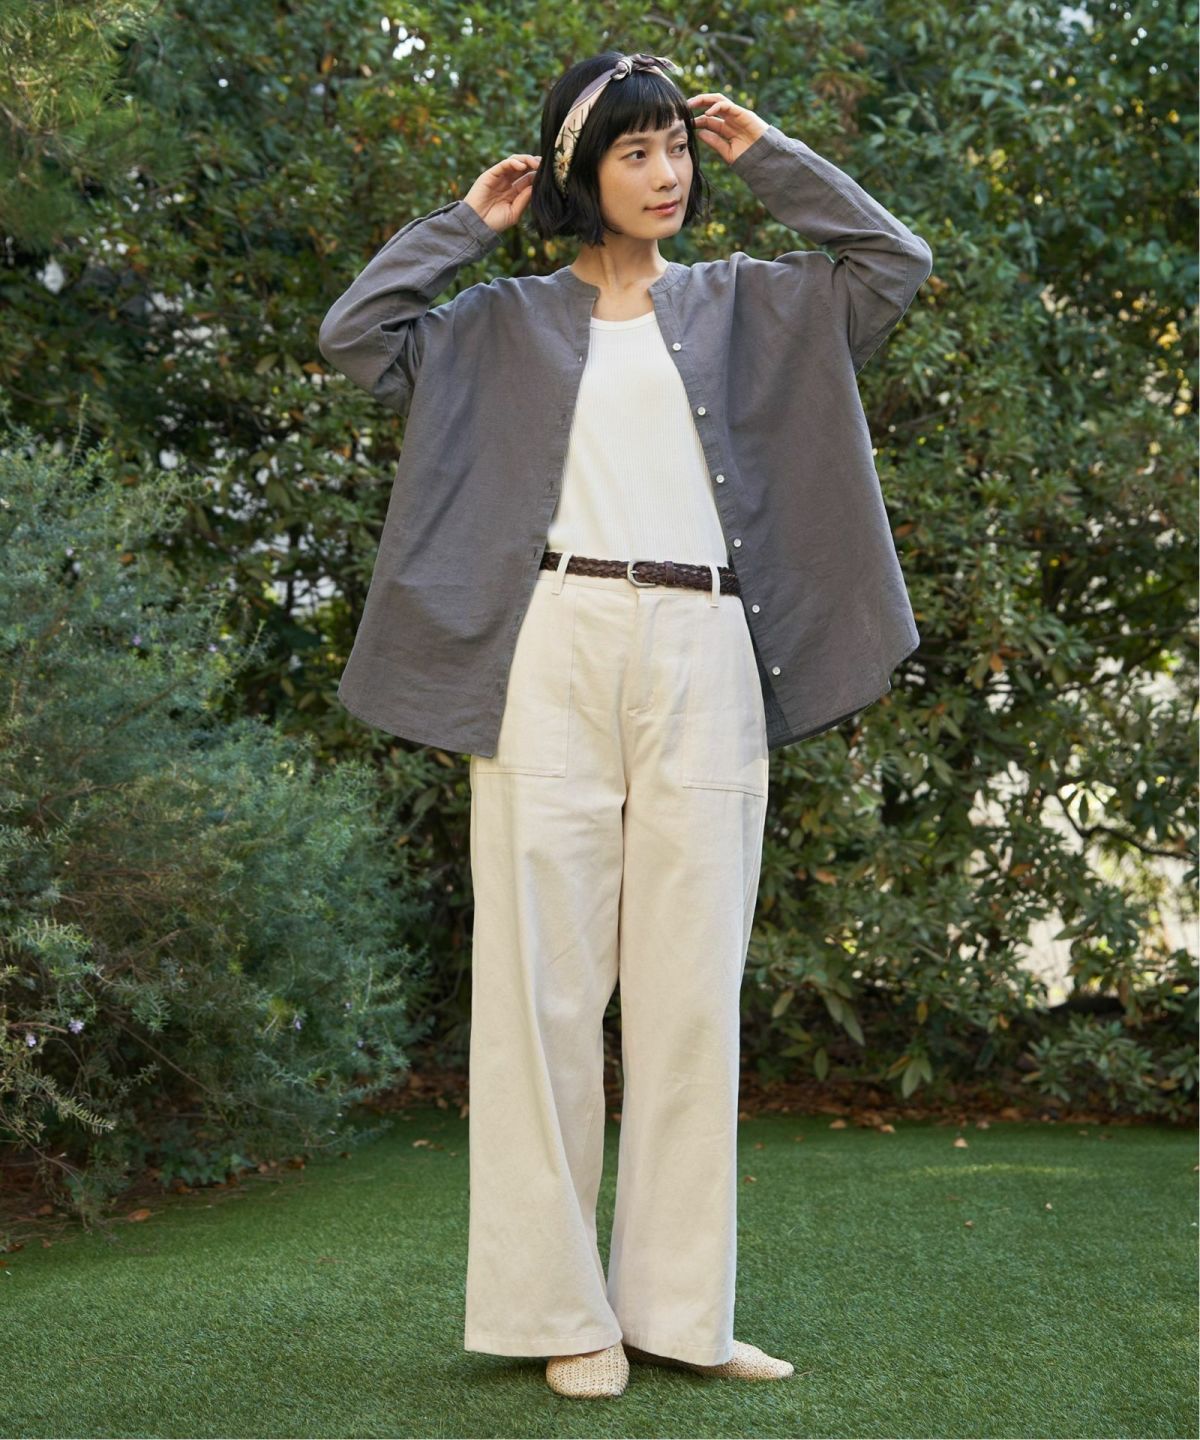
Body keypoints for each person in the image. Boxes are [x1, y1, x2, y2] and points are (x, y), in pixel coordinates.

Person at [317, 48, 932, 1402]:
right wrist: (461, 227)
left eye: (679, 152)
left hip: (709, 645)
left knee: (690, 993)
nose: (667, 176)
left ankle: (678, 1314)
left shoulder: (752, 303)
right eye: (635, 153)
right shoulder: (499, 320)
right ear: (579, 174)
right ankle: (559, 1314)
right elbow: (357, 336)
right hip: (551, 642)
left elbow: (893, 264)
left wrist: (774, 158)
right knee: (540, 989)